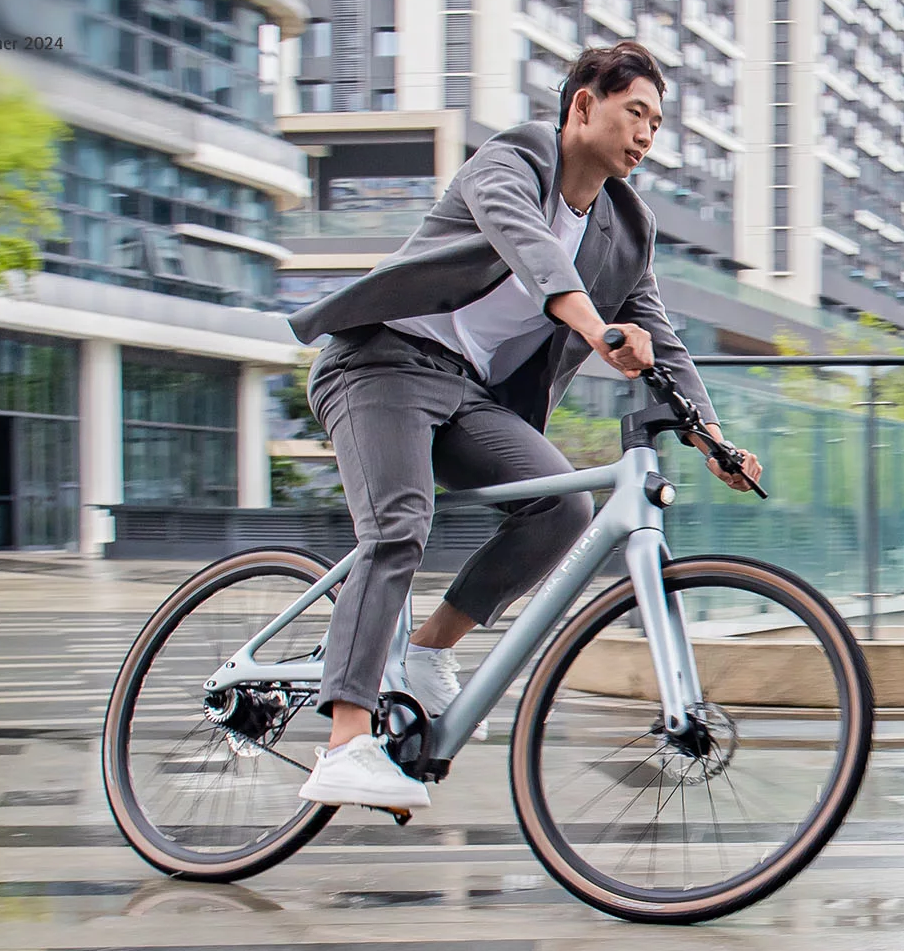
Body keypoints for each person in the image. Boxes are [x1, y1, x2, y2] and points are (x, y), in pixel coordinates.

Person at [286, 41, 764, 810]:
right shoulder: (512, 161)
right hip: (378, 363)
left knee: (563, 506)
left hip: (463, 390)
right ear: (583, 106)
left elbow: (659, 334)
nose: (647, 134)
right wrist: (594, 327)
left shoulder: (625, 225)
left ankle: (426, 650)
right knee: (399, 525)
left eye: (657, 121)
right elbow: (531, 250)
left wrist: (712, 437)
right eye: (634, 113)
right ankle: (345, 744)